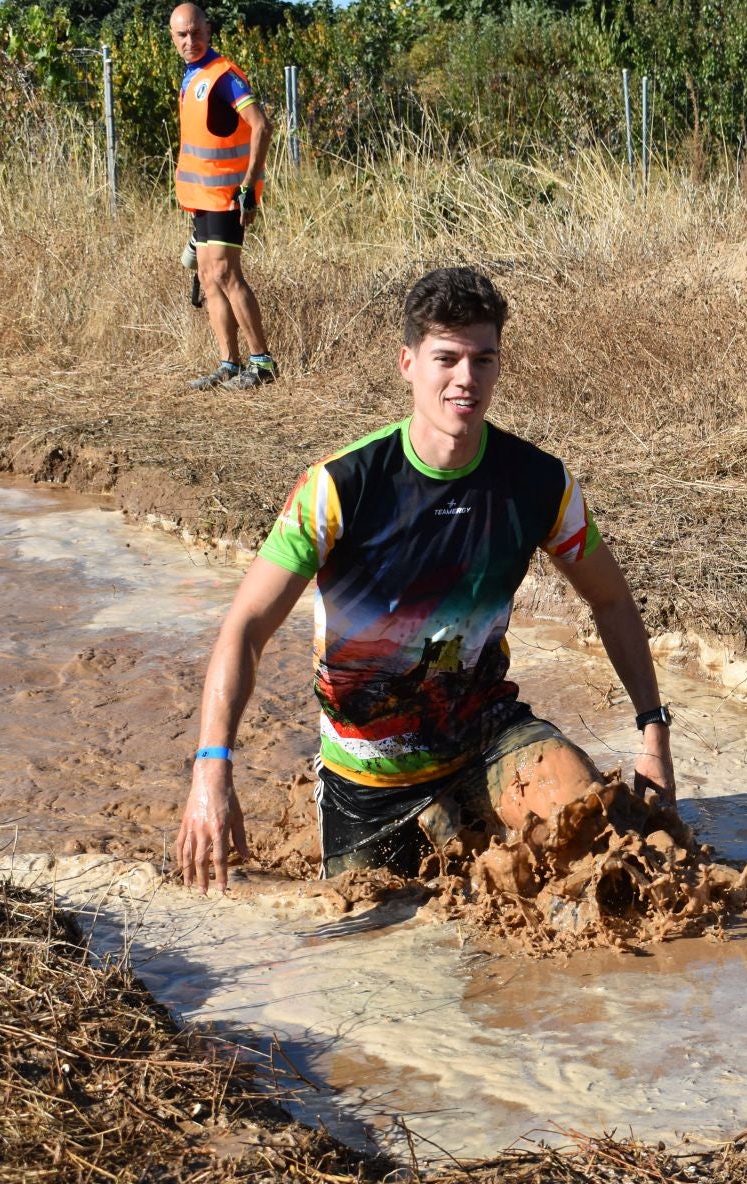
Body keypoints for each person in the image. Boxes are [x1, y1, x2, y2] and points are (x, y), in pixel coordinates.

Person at [175, 268, 676, 893]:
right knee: (374, 934)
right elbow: (245, 627)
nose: (466, 379)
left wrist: (653, 732)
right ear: (408, 363)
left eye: (482, 359)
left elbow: (610, 598)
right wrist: (212, 769)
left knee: (600, 842)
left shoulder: (540, 484)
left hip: (489, 735)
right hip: (370, 777)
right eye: (447, 358)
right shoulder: (338, 488)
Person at [170, 3, 277, 392]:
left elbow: (261, 126)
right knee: (207, 276)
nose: (189, 41)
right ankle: (229, 364)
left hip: (228, 197)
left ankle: (262, 363)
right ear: (173, 37)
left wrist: (250, 185)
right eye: (181, 35)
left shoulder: (224, 76)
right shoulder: (190, 74)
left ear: (208, 30)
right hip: (202, 196)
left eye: (195, 32)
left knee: (226, 274)